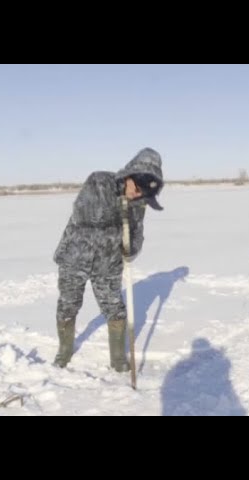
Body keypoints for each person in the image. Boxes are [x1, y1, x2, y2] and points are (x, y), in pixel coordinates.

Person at [52, 148, 164, 372]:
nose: (137, 196)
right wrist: (123, 207)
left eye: (143, 195)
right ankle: (64, 351)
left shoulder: (137, 205)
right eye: (138, 190)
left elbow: (133, 242)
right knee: (69, 304)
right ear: (132, 176)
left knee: (115, 309)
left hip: (108, 263)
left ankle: (118, 359)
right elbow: (89, 215)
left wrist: (134, 235)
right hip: (75, 256)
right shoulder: (100, 180)